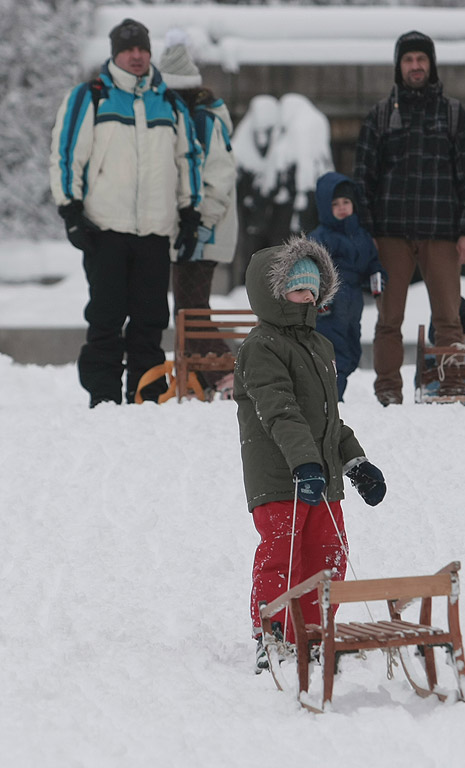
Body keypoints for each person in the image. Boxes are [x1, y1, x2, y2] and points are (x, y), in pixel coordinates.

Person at [234, 235, 387, 672]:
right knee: (283, 557)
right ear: (274, 292)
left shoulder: (319, 347)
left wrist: (355, 462)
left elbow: (327, 419)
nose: (309, 297)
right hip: (281, 478)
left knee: (328, 557)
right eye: (298, 289)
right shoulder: (260, 347)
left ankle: (314, 633)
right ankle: (276, 636)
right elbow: (279, 411)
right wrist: (304, 461)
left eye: (313, 289)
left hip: (322, 479)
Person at [49, 18, 203, 407]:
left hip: (154, 230)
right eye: (128, 49)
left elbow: (189, 160)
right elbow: (67, 155)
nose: (136, 56)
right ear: (115, 53)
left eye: (142, 49)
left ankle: (146, 394)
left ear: (150, 53)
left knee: (151, 320)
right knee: (106, 318)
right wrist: (71, 209)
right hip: (106, 228)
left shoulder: (168, 102)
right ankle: (102, 397)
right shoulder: (91, 96)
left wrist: (190, 215)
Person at [354, 30, 465, 406]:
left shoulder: (455, 114)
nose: (415, 66)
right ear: (399, 66)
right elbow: (362, 181)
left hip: (442, 233)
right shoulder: (380, 116)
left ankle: (450, 389)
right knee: (388, 320)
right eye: (408, 60)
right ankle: (388, 393)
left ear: (431, 65)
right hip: (390, 235)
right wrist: (369, 235)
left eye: (421, 60)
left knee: (449, 319)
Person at [158, 31, 239, 397]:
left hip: (206, 228)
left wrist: (200, 221)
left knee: (191, 310)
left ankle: (227, 373)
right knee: (188, 309)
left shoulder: (202, 121)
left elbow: (219, 177)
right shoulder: (194, 117)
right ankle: (199, 379)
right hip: (194, 227)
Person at [309, 171, 386, 402]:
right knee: (334, 352)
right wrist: (320, 297)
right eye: (335, 203)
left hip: (353, 303)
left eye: (346, 202)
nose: (342, 207)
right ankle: (330, 398)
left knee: (352, 349)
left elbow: (372, 261)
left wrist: (377, 276)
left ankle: (331, 395)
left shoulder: (361, 236)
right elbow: (312, 269)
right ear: (325, 206)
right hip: (330, 305)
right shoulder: (321, 237)